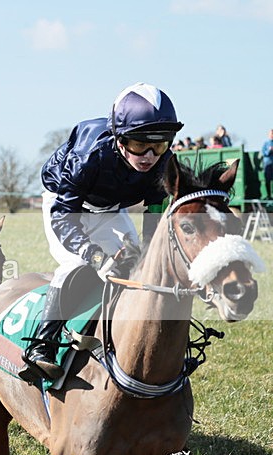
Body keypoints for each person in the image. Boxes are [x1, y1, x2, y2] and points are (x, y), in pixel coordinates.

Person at [20, 82, 183, 383]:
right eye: (139, 145)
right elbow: (64, 216)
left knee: (137, 266)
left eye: (159, 145)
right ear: (120, 138)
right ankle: (42, 346)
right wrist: (94, 255)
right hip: (65, 206)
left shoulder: (163, 162)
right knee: (77, 265)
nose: (149, 155)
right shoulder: (90, 153)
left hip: (110, 208)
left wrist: (147, 254)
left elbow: (154, 214)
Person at [262, 129, 273, 200]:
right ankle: (268, 195)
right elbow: (263, 153)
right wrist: (269, 150)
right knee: (268, 180)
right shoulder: (266, 143)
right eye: (271, 134)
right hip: (267, 164)